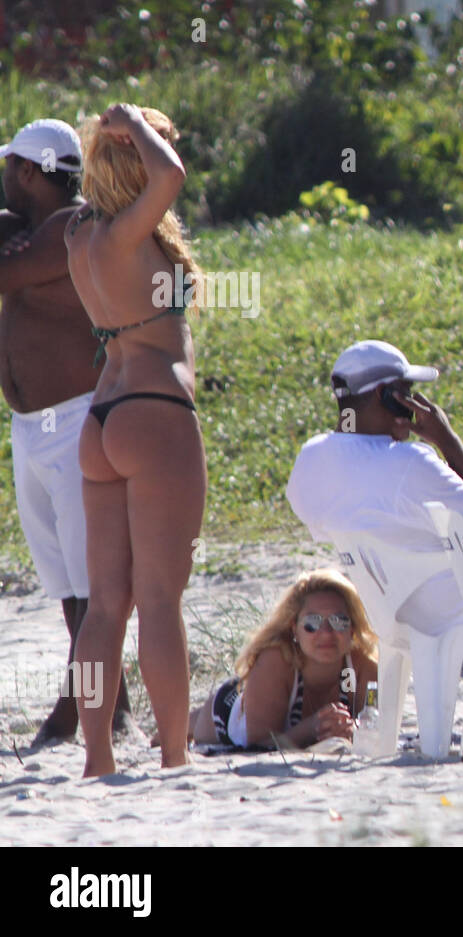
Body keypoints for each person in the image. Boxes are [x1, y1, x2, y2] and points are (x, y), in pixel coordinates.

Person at [65, 104, 205, 777]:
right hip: (153, 412)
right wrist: (130, 122)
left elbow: (159, 172)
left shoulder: (78, 236)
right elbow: (170, 173)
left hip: (102, 417)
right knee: (158, 600)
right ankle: (175, 754)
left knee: (104, 606)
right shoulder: (126, 235)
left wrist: (115, 136)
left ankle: (97, 755)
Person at [0, 118, 135, 745]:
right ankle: (103, 696)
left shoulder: (72, 225)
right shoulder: (28, 232)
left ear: (29, 171)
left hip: (75, 420)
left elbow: (7, 276)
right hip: (32, 427)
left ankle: (88, 703)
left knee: (89, 580)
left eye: (9, 168)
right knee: (66, 581)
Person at [286, 340, 463, 637]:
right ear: (385, 395)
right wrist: (449, 443)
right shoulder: (409, 462)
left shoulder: (311, 458)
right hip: (451, 613)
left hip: (388, 616)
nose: (415, 403)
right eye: (406, 392)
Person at [188, 569, 380, 749]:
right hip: (229, 710)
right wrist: (312, 728)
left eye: (339, 621)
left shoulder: (363, 668)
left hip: (260, 696)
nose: (326, 633)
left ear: (352, 629)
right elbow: (259, 744)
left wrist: (351, 728)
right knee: (185, 728)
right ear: (294, 627)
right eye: (312, 623)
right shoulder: (277, 660)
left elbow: (375, 723)